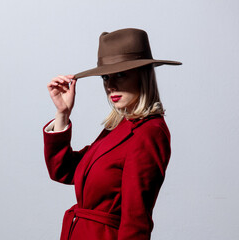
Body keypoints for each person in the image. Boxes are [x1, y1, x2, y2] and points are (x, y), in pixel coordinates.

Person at [43, 28, 181, 240]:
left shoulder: (148, 133)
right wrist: (63, 113)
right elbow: (64, 171)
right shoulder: (119, 126)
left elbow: (136, 219)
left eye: (121, 75)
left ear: (142, 76)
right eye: (106, 77)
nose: (110, 85)